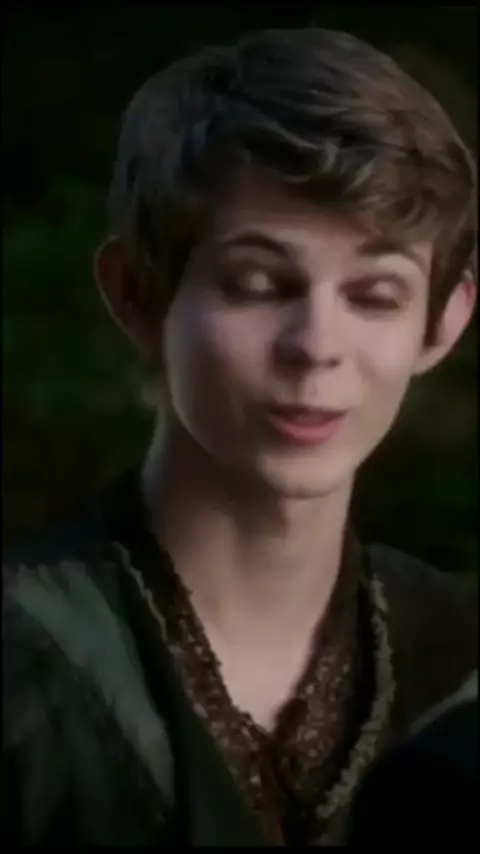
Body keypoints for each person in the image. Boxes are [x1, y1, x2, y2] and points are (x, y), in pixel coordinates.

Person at [3, 27, 477, 846]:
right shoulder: (24, 671)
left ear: (444, 321)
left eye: (375, 295)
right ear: (137, 294)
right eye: (256, 284)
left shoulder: (463, 664)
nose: (316, 345)